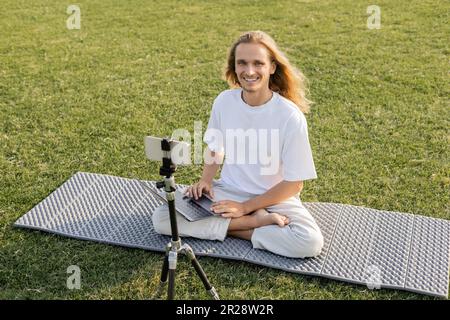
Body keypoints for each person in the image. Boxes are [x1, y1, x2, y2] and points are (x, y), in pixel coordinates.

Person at [152, 31, 324, 258]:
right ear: (234, 67)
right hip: (228, 191)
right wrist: (205, 181)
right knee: (163, 218)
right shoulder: (224, 101)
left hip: (275, 198)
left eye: (258, 63)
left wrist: (246, 207)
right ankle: (253, 225)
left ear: (272, 67)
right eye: (242, 63)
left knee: (308, 242)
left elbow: (294, 185)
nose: (249, 71)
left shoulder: (290, 116)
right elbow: (215, 148)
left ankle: (238, 223)